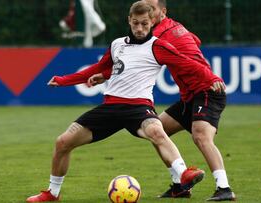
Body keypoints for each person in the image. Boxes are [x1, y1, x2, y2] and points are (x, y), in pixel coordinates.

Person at [26, 1, 206, 202]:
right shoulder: (117, 44)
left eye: (144, 24)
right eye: (136, 23)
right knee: (62, 142)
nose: (139, 28)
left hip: (139, 107)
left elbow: (190, 63)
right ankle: (52, 193)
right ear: (129, 20)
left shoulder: (159, 46)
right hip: (110, 108)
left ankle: (183, 174)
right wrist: (63, 80)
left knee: (157, 131)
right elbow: (96, 68)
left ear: (152, 22)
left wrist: (213, 79)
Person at [90, 0, 236, 201]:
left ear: (162, 12)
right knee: (158, 131)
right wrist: (106, 75)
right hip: (189, 96)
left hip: (206, 91)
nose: (147, 12)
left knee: (201, 136)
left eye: (152, 8)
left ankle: (224, 188)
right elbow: (195, 40)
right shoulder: (170, 29)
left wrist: (210, 77)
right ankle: (179, 187)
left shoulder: (160, 34)